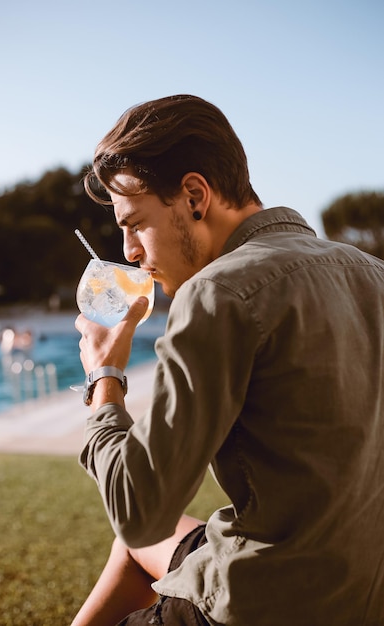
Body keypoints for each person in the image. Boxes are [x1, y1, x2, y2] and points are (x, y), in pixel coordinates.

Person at [72, 95, 384, 625]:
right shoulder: (372, 272)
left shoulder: (218, 293)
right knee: (141, 556)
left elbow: (139, 513)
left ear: (195, 195)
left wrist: (105, 376)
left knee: (137, 541)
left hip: (266, 605)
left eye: (135, 223)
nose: (128, 250)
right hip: (363, 595)